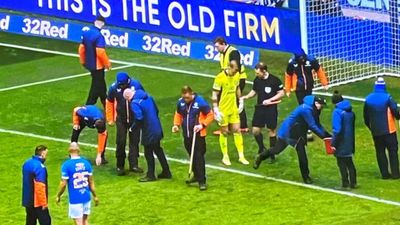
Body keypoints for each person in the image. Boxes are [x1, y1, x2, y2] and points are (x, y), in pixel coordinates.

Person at [254, 95, 331, 184]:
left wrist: (326, 134)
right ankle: (261, 157)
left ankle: (306, 177)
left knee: (302, 155)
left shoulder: (314, 109)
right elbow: (312, 126)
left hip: (298, 132)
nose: (321, 108)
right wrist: (324, 137)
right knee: (277, 150)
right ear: (316, 103)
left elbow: (317, 123)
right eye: (321, 105)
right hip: (289, 132)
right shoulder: (306, 109)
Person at [123, 88, 172, 182]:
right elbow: (156, 110)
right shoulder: (148, 97)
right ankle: (166, 171)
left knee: (148, 152)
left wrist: (132, 128)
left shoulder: (135, 103)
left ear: (128, 97)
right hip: (157, 126)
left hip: (149, 130)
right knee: (158, 149)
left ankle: (151, 175)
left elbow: (139, 117)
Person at [172, 86, 214, 191]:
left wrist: (202, 125)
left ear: (191, 94)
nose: (185, 99)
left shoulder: (200, 102)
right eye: (184, 97)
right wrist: (176, 125)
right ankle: (196, 175)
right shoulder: (180, 103)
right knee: (192, 156)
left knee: (198, 157)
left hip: (198, 135)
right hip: (187, 135)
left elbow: (210, 115)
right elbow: (178, 114)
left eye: (187, 97)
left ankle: (202, 181)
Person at [241, 62, 284, 163]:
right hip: (260, 108)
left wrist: (270, 100)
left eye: (257, 73)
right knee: (255, 130)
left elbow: (281, 93)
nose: (256, 75)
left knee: (271, 130)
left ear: (264, 71)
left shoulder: (274, 80)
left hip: (271, 109)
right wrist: (246, 96)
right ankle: (262, 148)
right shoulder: (257, 80)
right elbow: (254, 91)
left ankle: (271, 154)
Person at [285, 49, 329, 141]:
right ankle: (307, 129)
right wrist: (288, 89)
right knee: (304, 107)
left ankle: (308, 126)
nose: (302, 60)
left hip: (309, 87)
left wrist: (324, 83)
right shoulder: (292, 63)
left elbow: (319, 70)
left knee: (309, 106)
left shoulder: (311, 60)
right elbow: (288, 75)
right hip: (298, 89)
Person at [106, 72, 144, 176]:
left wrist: (141, 115)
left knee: (134, 141)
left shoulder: (136, 85)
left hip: (134, 119)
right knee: (120, 141)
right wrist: (110, 118)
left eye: (123, 85)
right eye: (120, 85)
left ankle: (134, 164)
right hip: (121, 119)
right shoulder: (114, 87)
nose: (122, 87)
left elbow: (143, 98)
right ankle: (120, 166)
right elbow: (109, 101)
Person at [212, 60, 249, 166]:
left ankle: (241, 156)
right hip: (223, 109)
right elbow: (215, 94)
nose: (236, 72)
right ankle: (225, 156)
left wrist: (240, 100)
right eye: (234, 70)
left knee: (237, 130)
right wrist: (215, 109)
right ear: (229, 67)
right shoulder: (220, 78)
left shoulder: (236, 75)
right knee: (224, 132)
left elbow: (237, 88)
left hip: (233, 108)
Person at [364, 77, 400, 179]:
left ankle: (384, 174)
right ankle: (395, 174)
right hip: (389, 130)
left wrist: (372, 128)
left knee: (380, 152)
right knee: (393, 152)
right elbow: (396, 113)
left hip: (376, 132)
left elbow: (366, 118)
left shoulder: (368, 99)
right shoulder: (388, 97)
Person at [56, 142, 99, 225]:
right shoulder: (86, 163)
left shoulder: (66, 165)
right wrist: (95, 196)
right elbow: (91, 182)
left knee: (78, 222)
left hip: (75, 199)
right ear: (79, 150)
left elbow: (63, 184)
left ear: (69, 150)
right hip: (86, 197)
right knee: (85, 221)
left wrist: (58, 195)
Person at [214, 37, 249, 133]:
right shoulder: (222, 54)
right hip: (230, 79)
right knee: (234, 100)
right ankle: (240, 125)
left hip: (237, 79)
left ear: (223, 44)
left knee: (231, 100)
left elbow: (235, 68)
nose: (216, 49)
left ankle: (231, 126)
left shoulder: (233, 52)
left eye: (217, 47)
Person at [79, 16, 111, 109]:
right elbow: (100, 52)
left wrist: (83, 61)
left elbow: (81, 49)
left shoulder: (86, 33)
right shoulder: (99, 36)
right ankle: (88, 106)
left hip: (89, 64)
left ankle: (106, 103)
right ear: (103, 24)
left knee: (101, 85)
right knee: (96, 86)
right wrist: (107, 63)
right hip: (98, 66)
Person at [331, 91, 357, 190]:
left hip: (341, 142)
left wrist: (333, 143)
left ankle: (345, 183)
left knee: (341, 163)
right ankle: (353, 183)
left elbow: (337, 130)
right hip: (350, 141)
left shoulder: (337, 112)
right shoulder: (351, 112)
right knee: (350, 162)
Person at [22, 145, 51, 225]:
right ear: (42, 154)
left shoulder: (27, 163)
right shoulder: (40, 167)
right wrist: (43, 203)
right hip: (38, 202)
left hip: (28, 201)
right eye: (45, 154)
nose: (46, 157)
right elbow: (40, 186)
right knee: (46, 222)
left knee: (30, 222)